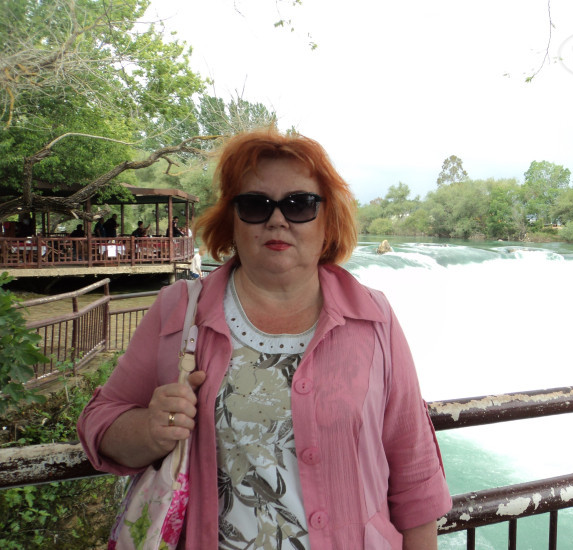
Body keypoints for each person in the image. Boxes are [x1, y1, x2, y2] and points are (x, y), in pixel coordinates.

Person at [77, 128, 451, 549]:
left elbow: (414, 470)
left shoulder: (374, 316)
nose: (277, 219)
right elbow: (99, 423)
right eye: (255, 205)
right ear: (232, 219)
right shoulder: (179, 310)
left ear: (327, 220)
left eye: (299, 204)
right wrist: (149, 430)